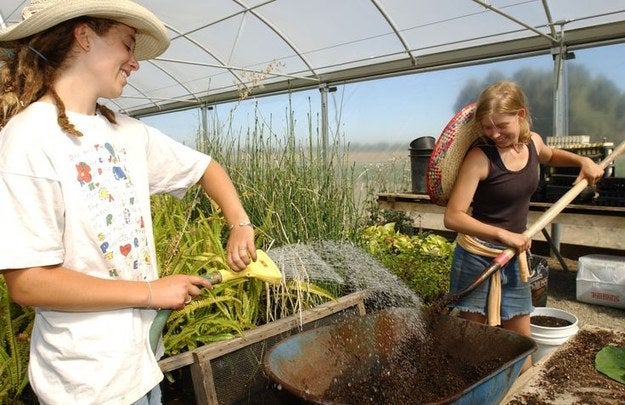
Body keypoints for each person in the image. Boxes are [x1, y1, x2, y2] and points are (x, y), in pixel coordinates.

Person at [0, 1, 256, 403]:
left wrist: (239, 223)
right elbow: (29, 283)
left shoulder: (127, 133)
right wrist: (152, 293)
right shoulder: (29, 139)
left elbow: (207, 168)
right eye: (127, 45)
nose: (135, 63)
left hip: (141, 365)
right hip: (85, 383)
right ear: (84, 36)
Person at [442, 81, 604, 372]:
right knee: (472, 343)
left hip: (514, 256)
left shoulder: (533, 143)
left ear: (521, 114)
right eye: (487, 128)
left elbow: (551, 155)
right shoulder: (480, 157)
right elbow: (453, 216)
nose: (494, 134)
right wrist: (504, 234)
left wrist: (583, 161)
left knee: (520, 341)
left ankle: (521, 393)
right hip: (478, 257)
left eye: (501, 125)